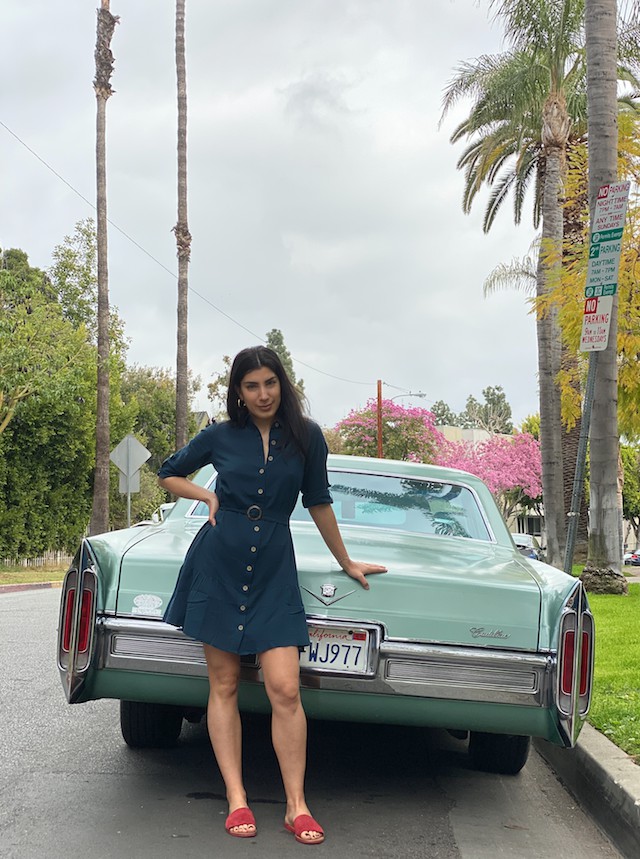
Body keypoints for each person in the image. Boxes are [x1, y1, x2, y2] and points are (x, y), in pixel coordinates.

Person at [158, 346, 387, 845]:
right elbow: (169, 472)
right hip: (219, 563)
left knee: (285, 688)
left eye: (270, 382)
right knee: (224, 684)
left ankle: (296, 805)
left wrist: (346, 561)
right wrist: (207, 494)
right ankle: (237, 797)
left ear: (282, 383)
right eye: (251, 386)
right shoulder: (219, 436)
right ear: (238, 392)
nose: (263, 394)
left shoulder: (307, 437)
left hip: (273, 569)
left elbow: (319, 501)